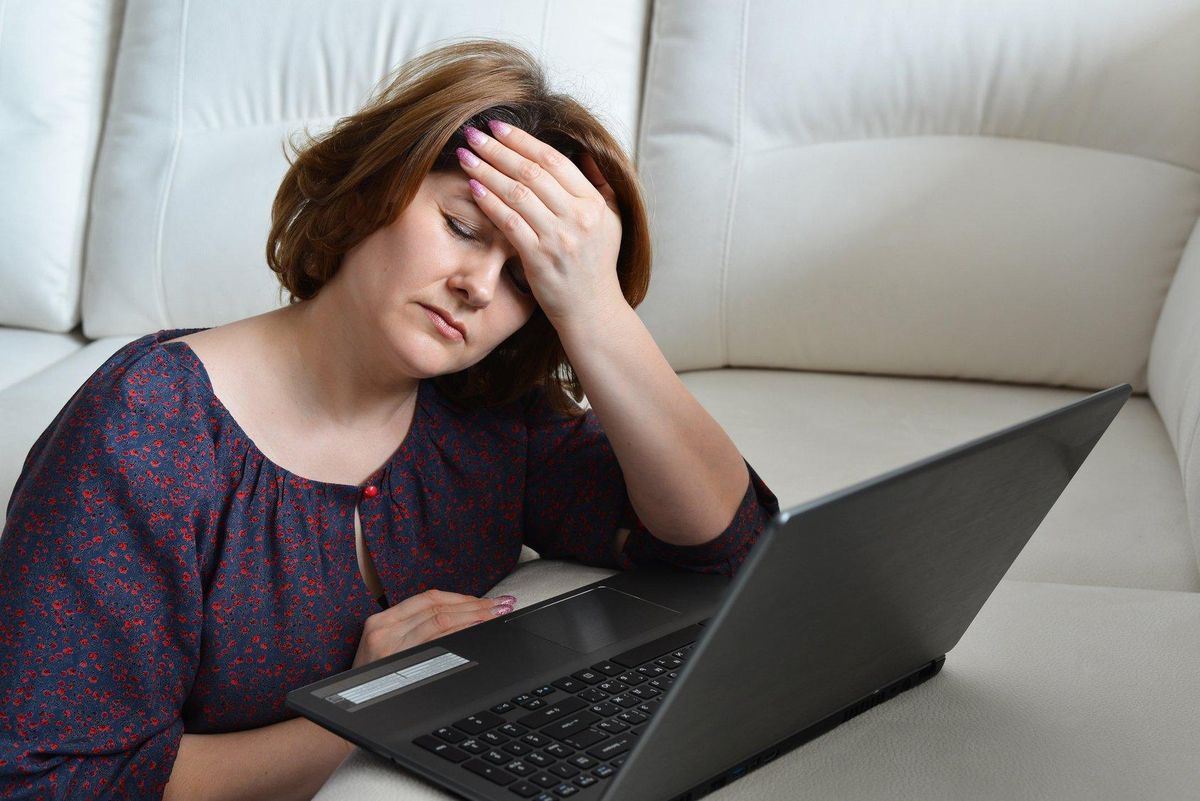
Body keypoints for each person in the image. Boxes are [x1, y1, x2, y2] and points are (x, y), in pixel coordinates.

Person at [0, 39, 779, 800]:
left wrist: (593, 302)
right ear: (374, 188)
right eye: (462, 227)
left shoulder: (488, 412)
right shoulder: (145, 432)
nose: (479, 287)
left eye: (525, 280)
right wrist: (371, 708)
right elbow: (54, 780)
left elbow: (723, 543)